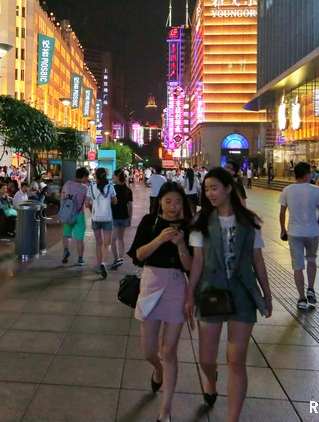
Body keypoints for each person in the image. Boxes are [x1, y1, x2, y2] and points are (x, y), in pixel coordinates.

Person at [185, 167, 272, 421]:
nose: (209, 193)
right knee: (206, 358)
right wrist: (189, 295)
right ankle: (211, 379)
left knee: (236, 360)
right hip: (210, 289)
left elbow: (258, 259)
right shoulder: (201, 222)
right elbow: (197, 262)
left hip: (242, 292)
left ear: (228, 189)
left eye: (214, 188)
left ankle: (232, 418)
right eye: (206, 189)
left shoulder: (249, 221)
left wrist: (266, 294)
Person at [127, 182, 193, 422]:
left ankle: (166, 409)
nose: (173, 207)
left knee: (169, 351)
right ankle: (157, 368)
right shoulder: (149, 222)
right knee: (148, 350)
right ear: (160, 203)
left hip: (176, 286)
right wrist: (160, 239)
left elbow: (190, 267)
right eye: (168, 202)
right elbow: (138, 255)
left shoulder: (188, 226)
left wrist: (181, 245)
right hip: (151, 283)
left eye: (177, 202)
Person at [278, 162, 319, 310]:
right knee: (311, 260)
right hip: (312, 232)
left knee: (297, 266)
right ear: (307, 174)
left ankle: (302, 298)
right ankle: (311, 288)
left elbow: (282, 213)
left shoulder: (287, 190)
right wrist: (316, 227)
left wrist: (283, 229)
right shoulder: (316, 189)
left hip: (294, 232)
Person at [85, 168, 118, 279]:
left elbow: (87, 203)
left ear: (96, 177)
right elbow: (115, 201)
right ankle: (104, 262)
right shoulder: (110, 187)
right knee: (106, 243)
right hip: (107, 218)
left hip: (96, 218)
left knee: (99, 242)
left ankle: (99, 265)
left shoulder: (91, 188)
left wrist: (92, 209)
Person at [60, 168, 90, 266]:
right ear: (84, 176)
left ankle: (66, 250)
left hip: (67, 214)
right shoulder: (85, 188)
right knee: (79, 238)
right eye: (87, 177)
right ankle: (80, 259)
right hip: (79, 215)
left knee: (66, 234)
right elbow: (87, 204)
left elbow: (62, 199)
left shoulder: (67, 184)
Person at [110, 169, 133, 270]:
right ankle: (121, 257)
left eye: (113, 175)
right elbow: (130, 206)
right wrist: (130, 218)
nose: (112, 177)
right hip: (124, 216)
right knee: (121, 238)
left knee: (113, 239)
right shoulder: (128, 190)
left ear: (117, 177)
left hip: (114, 216)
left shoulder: (112, 189)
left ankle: (116, 259)